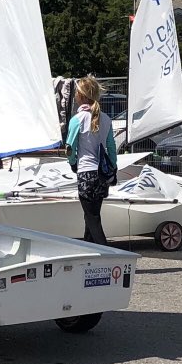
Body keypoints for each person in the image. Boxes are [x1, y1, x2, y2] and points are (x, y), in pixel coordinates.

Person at [65, 76, 117, 247]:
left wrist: (73, 163)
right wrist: (113, 168)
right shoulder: (106, 119)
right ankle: (90, 250)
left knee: (92, 217)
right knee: (92, 214)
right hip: (102, 174)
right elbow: (111, 147)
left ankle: (109, 255)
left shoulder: (77, 120)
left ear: (81, 96)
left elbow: (70, 147)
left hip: (86, 172)